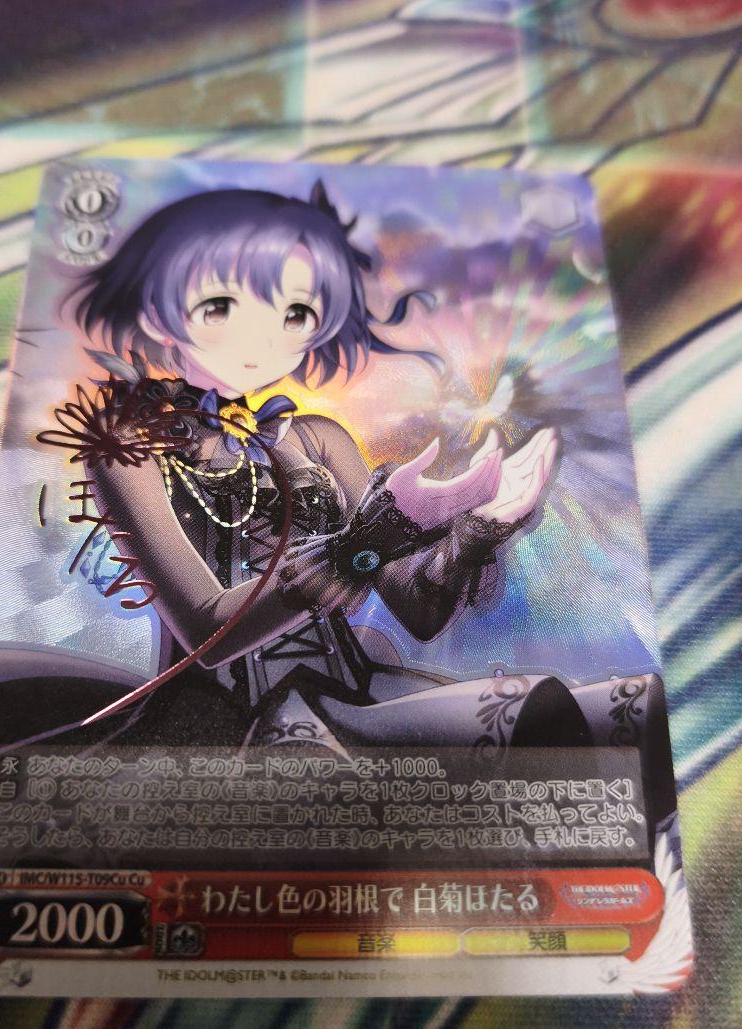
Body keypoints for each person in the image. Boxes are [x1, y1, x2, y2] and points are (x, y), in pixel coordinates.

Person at [38, 180, 592, 751]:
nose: (260, 340)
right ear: (158, 312)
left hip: (345, 694)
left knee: (588, 713)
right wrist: (362, 543)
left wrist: (476, 530)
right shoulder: (128, 450)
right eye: (221, 306)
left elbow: (419, 613)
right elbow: (208, 632)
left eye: (295, 313)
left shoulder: (317, 440)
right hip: (221, 722)